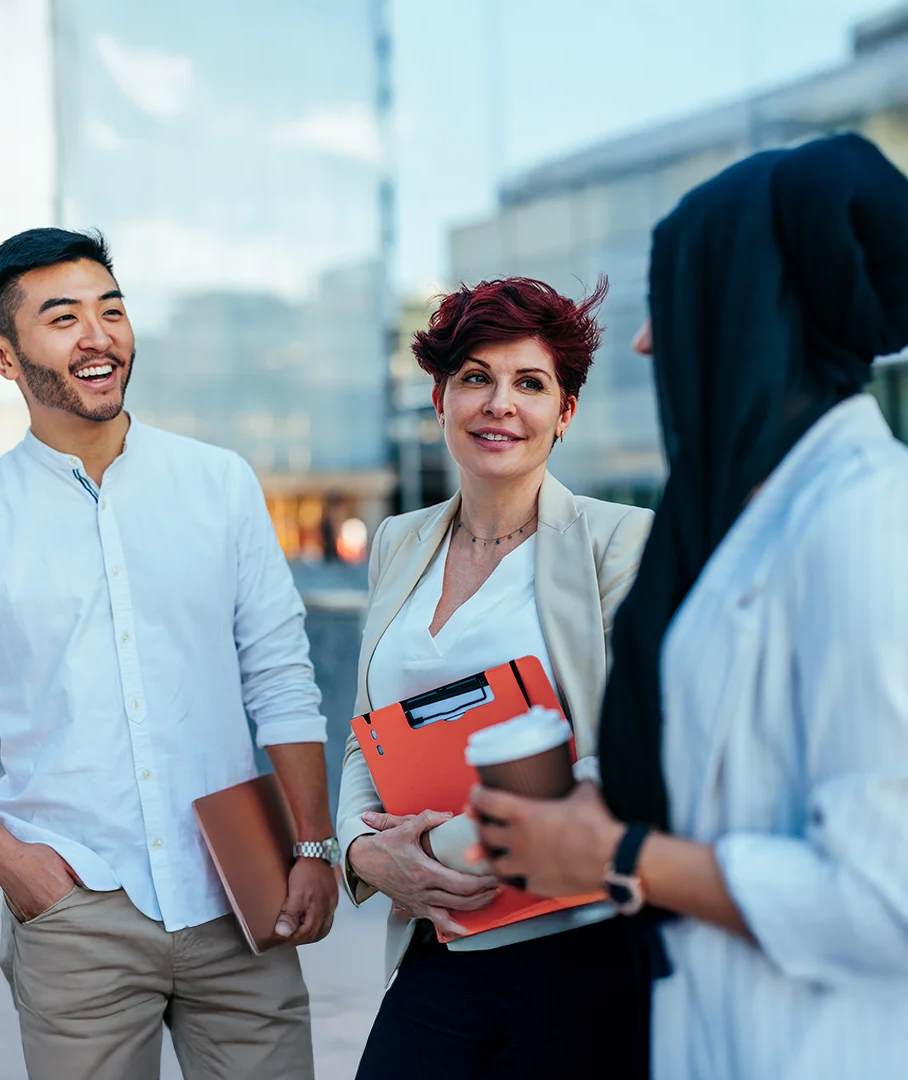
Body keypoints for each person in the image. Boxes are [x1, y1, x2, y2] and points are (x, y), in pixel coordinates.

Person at [469, 134, 908, 1080]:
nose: (643, 342)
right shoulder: (751, 519)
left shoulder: (870, 526)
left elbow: (888, 899)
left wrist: (619, 854)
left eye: (670, 304)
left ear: (745, 312)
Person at [0, 228, 339, 1080]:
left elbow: (279, 675)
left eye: (112, 310)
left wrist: (312, 846)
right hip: (77, 910)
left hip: (241, 891)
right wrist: (5, 861)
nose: (99, 336)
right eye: (63, 318)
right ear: (4, 356)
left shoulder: (220, 484)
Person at [336, 277, 655, 1079]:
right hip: (440, 941)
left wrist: (436, 851)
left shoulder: (621, 545)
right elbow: (364, 739)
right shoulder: (400, 543)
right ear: (441, 397)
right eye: (476, 377)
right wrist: (361, 855)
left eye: (530, 383)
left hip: (577, 943)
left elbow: (634, 753)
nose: (499, 404)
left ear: (565, 412)